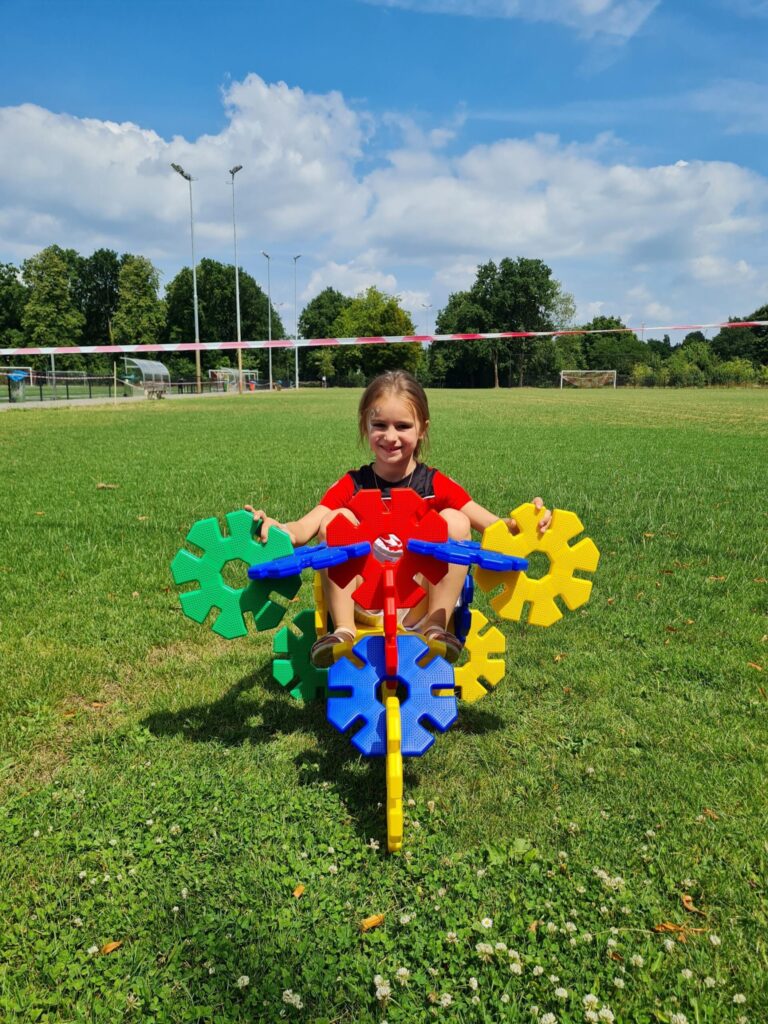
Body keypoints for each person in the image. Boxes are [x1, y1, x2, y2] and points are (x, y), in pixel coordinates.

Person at [246, 370, 551, 668]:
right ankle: (342, 632)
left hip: (416, 607)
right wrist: (276, 527)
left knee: (456, 521)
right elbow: (304, 529)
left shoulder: (434, 485)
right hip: (363, 606)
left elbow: (495, 528)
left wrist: (529, 521)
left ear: (421, 429)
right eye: (379, 424)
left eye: (402, 426)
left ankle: (437, 629)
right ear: (365, 427)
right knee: (335, 521)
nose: (390, 437)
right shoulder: (352, 485)